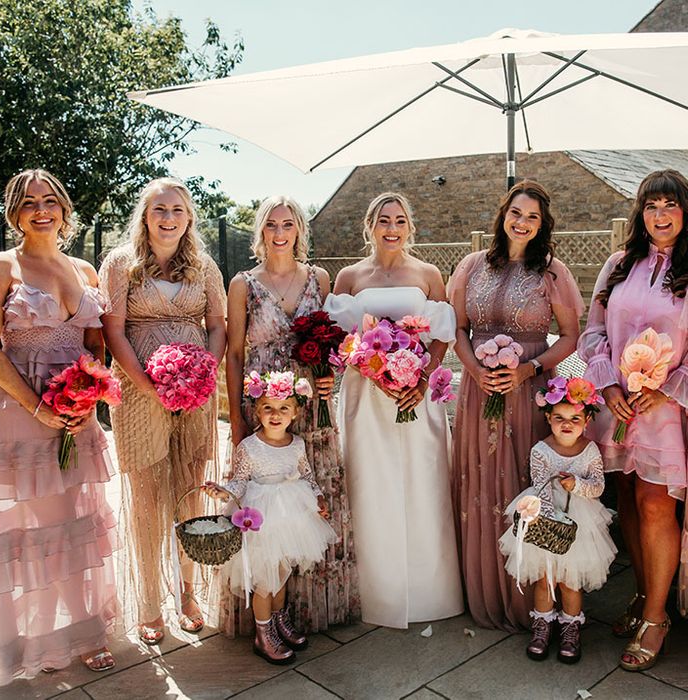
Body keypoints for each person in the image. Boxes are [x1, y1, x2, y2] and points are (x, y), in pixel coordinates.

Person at [0, 169, 117, 684]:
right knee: (42, 528)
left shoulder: (85, 270)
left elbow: (95, 344)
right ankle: (69, 634)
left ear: (64, 209)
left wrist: (90, 395)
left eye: (50, 200)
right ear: (14, 212)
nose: (41, 209)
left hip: (78, 414)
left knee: (76, 521)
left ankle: (80, 626)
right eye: (29, 202)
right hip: (21, 413)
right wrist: (39, 407)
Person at [449, 180, 584, 631]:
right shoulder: (472, 266)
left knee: (525, 483)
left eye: (532, 216)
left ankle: (536, 600)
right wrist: (474, 371)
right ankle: (484, 589)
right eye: (515, 212)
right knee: (480, 483)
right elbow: (460, 330)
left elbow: (570, 337)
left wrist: (529, 369)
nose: (521, 222)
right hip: (478, 391)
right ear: (502, 213)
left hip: (527, 392)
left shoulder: (553, 272)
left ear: (543, 224)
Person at [324, 191, 464, 628]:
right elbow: (338, 339)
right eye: (383, 220)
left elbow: (443, 333)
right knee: (371, 485)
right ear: (369, 225)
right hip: (365, 398)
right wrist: (367, 363)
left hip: (416, 397)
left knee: (425, 485)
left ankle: (431, 593)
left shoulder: (427, 274)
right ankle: (376, 594)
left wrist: (421, 378)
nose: (391, 228)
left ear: (409, 226)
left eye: (399, 220)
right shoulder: (348, 277)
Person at [222, 195, 359, 635]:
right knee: (265, 504)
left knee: (312, 501)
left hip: (312, 407)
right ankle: (263, 617)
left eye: (288, 225)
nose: (280, 234)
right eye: (271, 225)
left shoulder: (320, 277)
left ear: (300, 229)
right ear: (260, 231)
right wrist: (238, 419)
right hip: (262, 405)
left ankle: (306, 610)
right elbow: (235, 353)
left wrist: (330, 378)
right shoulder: (243, 283)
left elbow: (336, 343)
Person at [99, 177, 227, 644]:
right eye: (159, 210)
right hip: (138, 395)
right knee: (149, 498)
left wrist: (202, 374)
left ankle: (189, 592)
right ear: (145, 216)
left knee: (190, 492)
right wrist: (151, 387)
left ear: (189, 216)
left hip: (196, 394)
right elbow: (113, 333)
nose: (168, 218)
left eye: (177, 210)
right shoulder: (120, 264)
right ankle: (150, 603)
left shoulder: (204, 265)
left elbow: (217, 325)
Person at [578, 169, 688, 672]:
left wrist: (665, 387)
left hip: (667, 411)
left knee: (655, 504)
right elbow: (593, 332)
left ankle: (658, 617)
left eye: (669, 205)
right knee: (623, 494)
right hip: (617, 404)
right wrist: (607, 383)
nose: (660, 216)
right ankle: (644, 597)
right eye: (650, 206)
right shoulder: (618, 264)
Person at [205, 371, 336, 664]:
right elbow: (239, 482)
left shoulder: (297, 444)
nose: (275, 415)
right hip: (260, 517)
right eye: (268, 408)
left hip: (291, 516)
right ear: (257, 411)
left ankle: (278, 622)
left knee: (283, 573)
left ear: (295, 413)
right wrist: (223, 492)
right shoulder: (249, 447)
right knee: (265, 579)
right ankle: (262, 635)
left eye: (283, 408)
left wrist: (318, 499)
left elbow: (308, 476)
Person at [499, 377, 616, 664]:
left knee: (570, 582)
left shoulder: (590, 451)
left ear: (587, 420)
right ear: (549, 418)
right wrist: (548, 521)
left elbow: (598, 486)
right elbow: (539, 487)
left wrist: (576, 484)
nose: (567, 424)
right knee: (545, 579)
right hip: (546, 520)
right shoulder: (541, 451)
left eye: (575, 418)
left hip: (580, 523)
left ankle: (571, 628)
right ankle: (542, 627)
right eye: (560, 418)